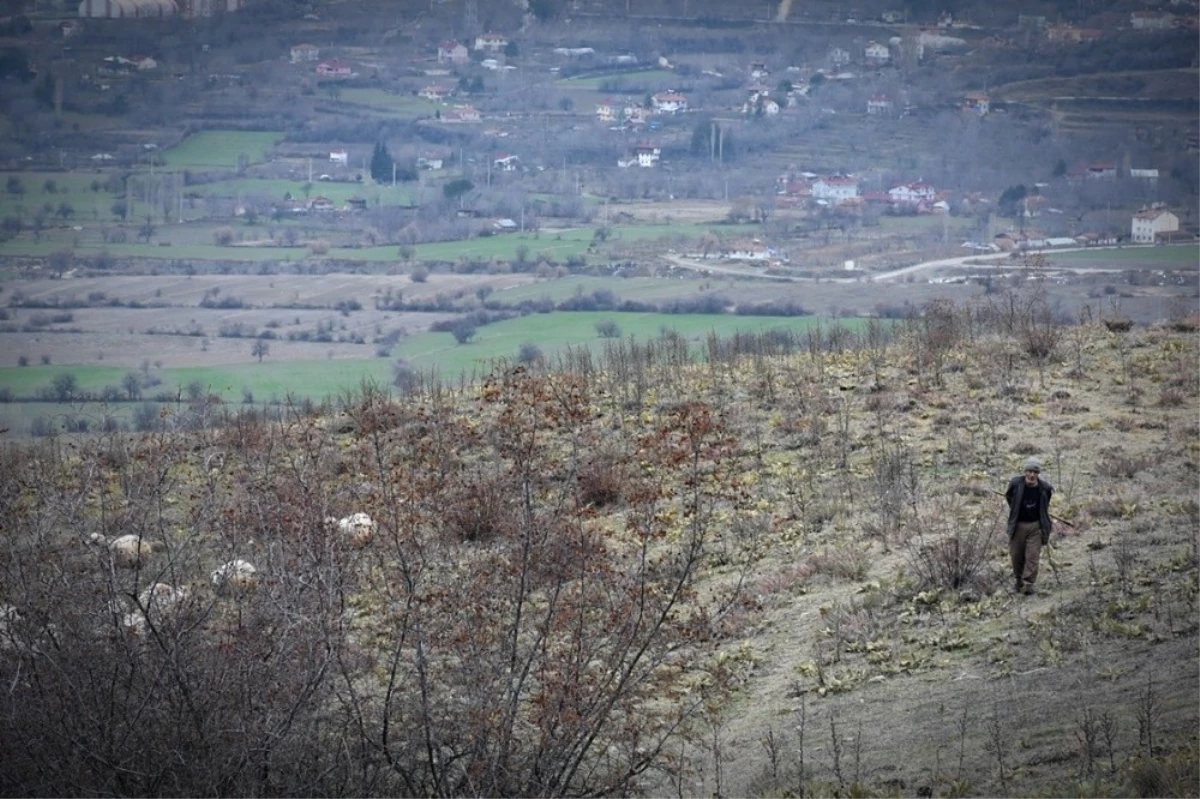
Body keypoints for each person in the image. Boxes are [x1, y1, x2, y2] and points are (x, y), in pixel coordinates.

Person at [1005, 458, 1054, 595]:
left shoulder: (1045, 488)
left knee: (1032, 557)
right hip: (1018, 526)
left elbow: (1045, 506)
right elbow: (1009, 497)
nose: (1032, 475)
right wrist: (1015, 511)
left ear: (1038, 473)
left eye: (1035, 472)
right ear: (1025, 471)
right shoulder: (1015, 484)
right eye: (1029, 471)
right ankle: (1018, 581)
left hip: (1035, 527)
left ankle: (1028, 584)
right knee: (1016, 556)